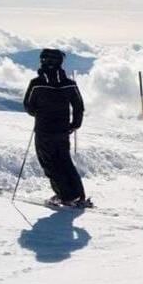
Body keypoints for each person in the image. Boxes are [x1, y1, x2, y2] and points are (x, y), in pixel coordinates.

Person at [23, 48, 90, 208]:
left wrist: (39, 114)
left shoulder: (36, 84)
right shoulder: (69, 84)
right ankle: (78, 195)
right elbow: (79, 107)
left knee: (50, 164)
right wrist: (75, 125)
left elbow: (28, 107)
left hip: (44, 130)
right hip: (63, 130)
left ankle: (65, 196)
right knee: (65, 161)